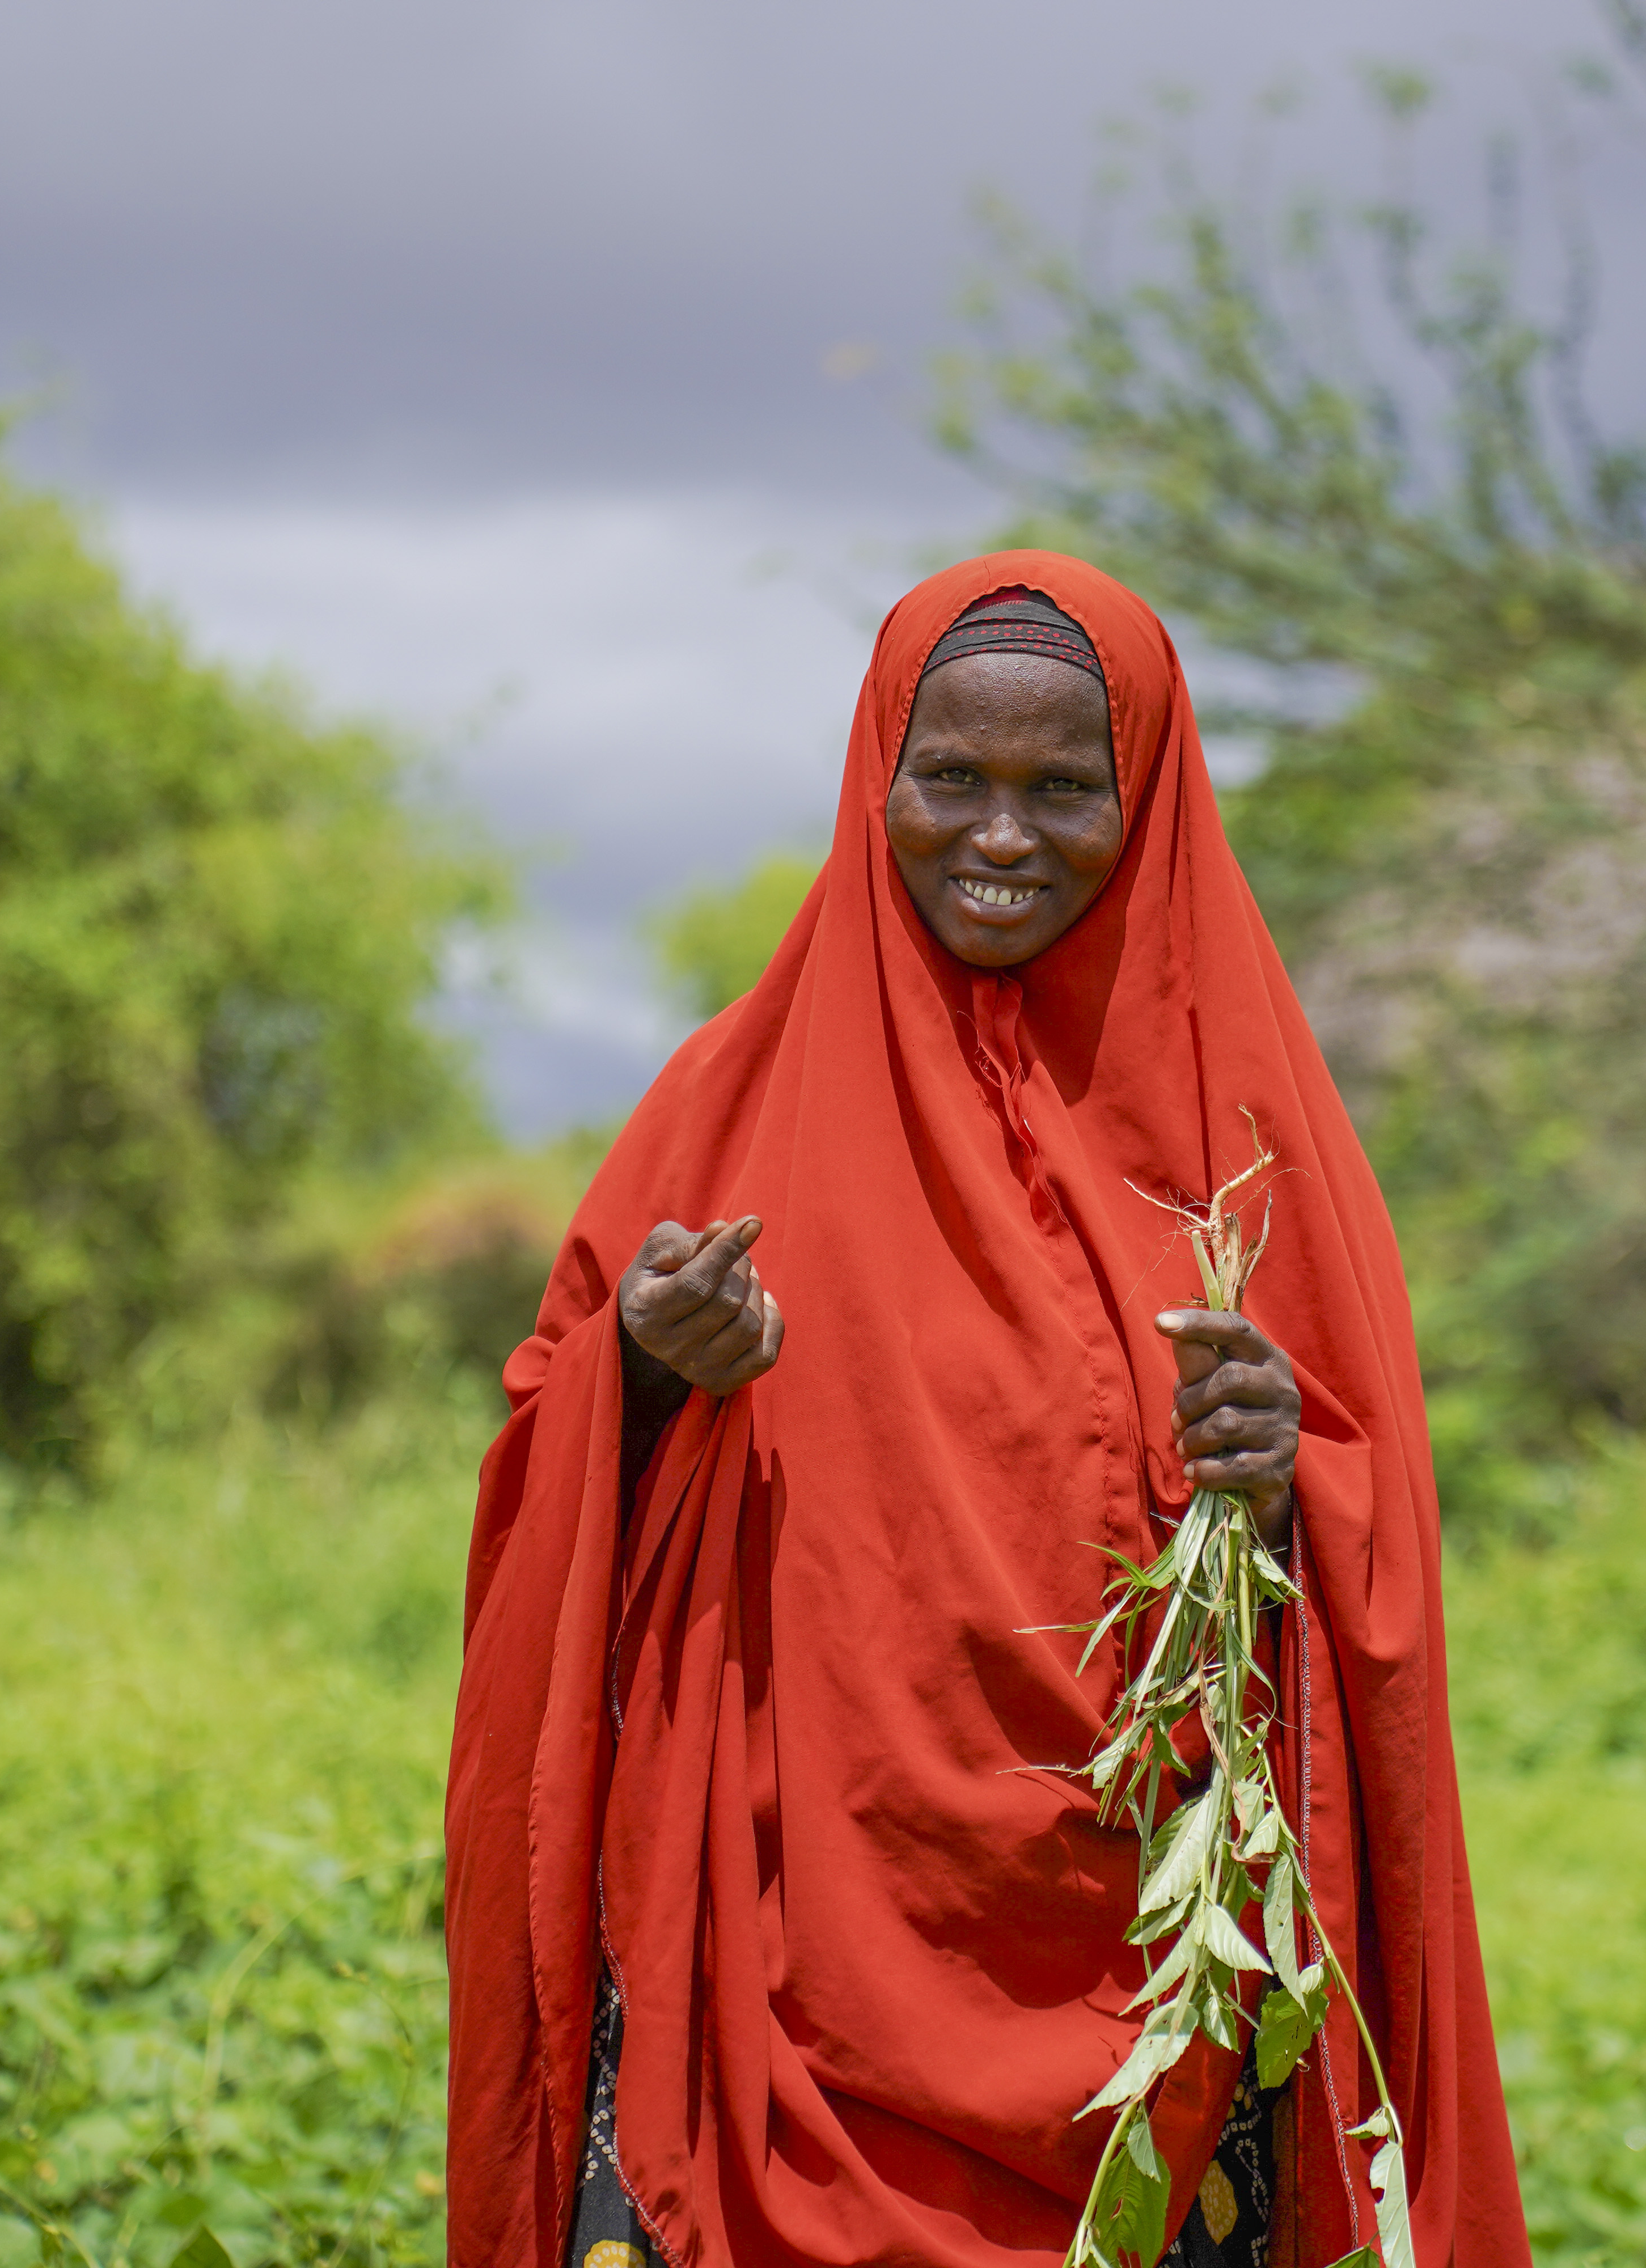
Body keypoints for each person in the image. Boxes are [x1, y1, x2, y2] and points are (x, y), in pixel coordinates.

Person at [445, 553, 1520, 2268]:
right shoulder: (726, 1104)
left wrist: (1280, 1474)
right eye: (953, 781)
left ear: (1148, 795)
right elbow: (541, 1451)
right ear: (882, 772)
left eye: (1061, 790)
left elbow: (1368, 1514)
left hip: (1151, 1998)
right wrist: (647, 1376)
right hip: (786, 1969)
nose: (1001, 838)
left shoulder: (1254, 1145)